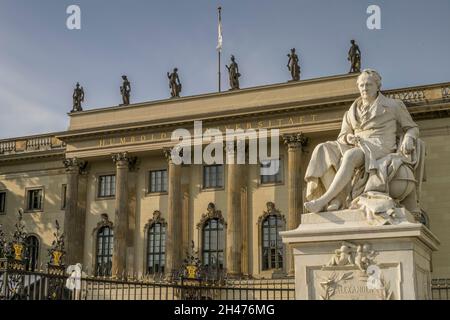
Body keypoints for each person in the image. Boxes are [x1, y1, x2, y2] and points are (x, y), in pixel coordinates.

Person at [304, 69, 420, 216]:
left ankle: (322, 200)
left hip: (380, 144)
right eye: (361, 85)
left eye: (369, 85)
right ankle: (336, 199)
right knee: (322, 149)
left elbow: (412, 128)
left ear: (378, 86)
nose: (364, 88)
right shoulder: (351, 112)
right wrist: (348, 138)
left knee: (351, 156)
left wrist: (409, 138)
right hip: (356, 143)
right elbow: (342, 136)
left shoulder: (393, 105)